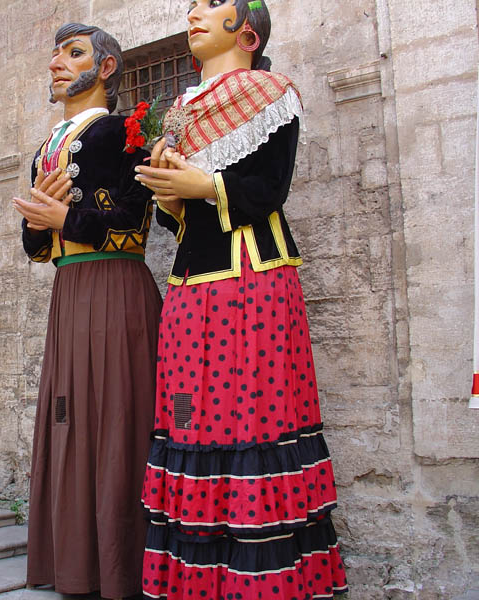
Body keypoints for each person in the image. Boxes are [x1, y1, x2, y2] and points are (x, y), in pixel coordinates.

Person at [134, 1, 348, 597]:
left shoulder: (271, 93)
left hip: (251, 283)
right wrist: (171, 201)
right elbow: (178, 222)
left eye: (210, 3)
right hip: (187, 289)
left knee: (249, 412)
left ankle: (260, 580)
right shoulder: (177, 111)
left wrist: (205, 184)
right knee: (185, 413)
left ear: (247, 30)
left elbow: (269, 189)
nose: (194, 13)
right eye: (192, 7)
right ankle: (192, 580)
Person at [11, 23, 162, 598]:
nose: (56, 63)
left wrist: (64, 220)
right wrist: (37, 225)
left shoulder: (123, 132)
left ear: (104, 67)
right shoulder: (47, 145)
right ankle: (72, 560)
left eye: (72, 53)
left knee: (116, 417)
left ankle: (121, 567)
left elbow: (130, 211)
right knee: (70, 416)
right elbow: (38, 247)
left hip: (115, 286)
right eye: (53, 53)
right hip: (69, 290)